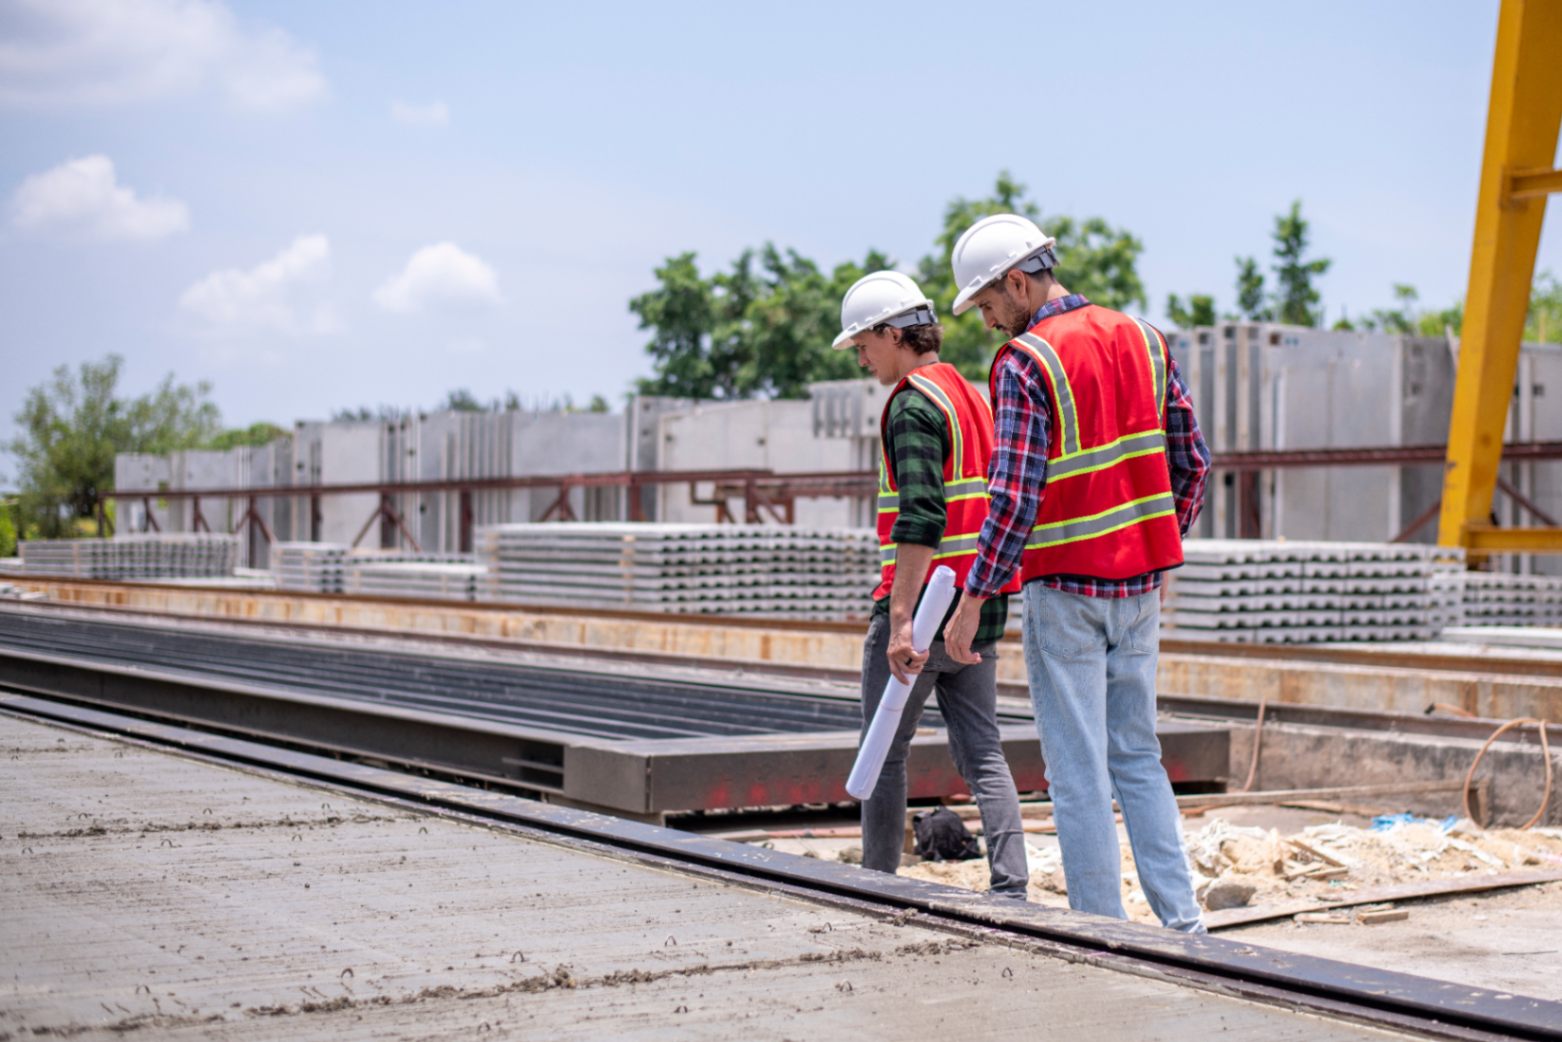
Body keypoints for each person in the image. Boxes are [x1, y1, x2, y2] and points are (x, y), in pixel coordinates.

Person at [942, 214, 1211, 932]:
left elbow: (1014, 494)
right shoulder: (1147, 340)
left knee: (1078, 771)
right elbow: (1195, 464)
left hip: (1065, 590)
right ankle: (1184, 927)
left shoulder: (1027, 362)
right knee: (1138, 757)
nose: (991, 322)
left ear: (1019, 282)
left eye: (990, 306)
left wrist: (975, 597)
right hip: (1140, 589)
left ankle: (1103, 932)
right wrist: (1153, 540)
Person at [833, 270, 1028, 899]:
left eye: (864, 345)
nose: (862, 359)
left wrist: (899, 620)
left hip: (923, 614)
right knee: (985, 754)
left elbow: (921, 515)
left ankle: (877, 885)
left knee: (884, 752)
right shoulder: (969, 396)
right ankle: (1011, 886)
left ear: (894, 334)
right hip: (976, 606)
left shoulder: (913, 403)